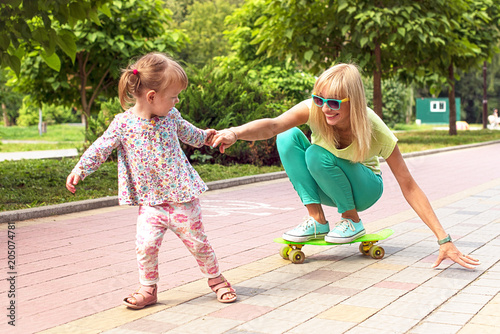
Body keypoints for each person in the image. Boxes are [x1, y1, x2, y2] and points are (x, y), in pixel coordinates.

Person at [212, 63, 480, 269]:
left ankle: (352, 220)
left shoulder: (376, 130)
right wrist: (235, 133)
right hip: (328, 182)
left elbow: (408, 184)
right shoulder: (314, 110)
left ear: (354, 100)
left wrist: (444, 240)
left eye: (334, 103)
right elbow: (272, 125)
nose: (325, 109)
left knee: (316, 154)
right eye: (319, 100)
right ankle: (317, 220)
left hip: (365, 188)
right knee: (287, 135)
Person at [65, 52, 236, 309]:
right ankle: (148, 289)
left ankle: (217, 281)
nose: (176, 101)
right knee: (145, 246)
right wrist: (81, 169)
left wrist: (210, 137)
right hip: (150, 201)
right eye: (173, 96)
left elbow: (192, 134)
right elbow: (101, 147)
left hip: (181, 198)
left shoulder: (172, 117)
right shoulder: (122, 124)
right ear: (152, 97)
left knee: (198, 243)